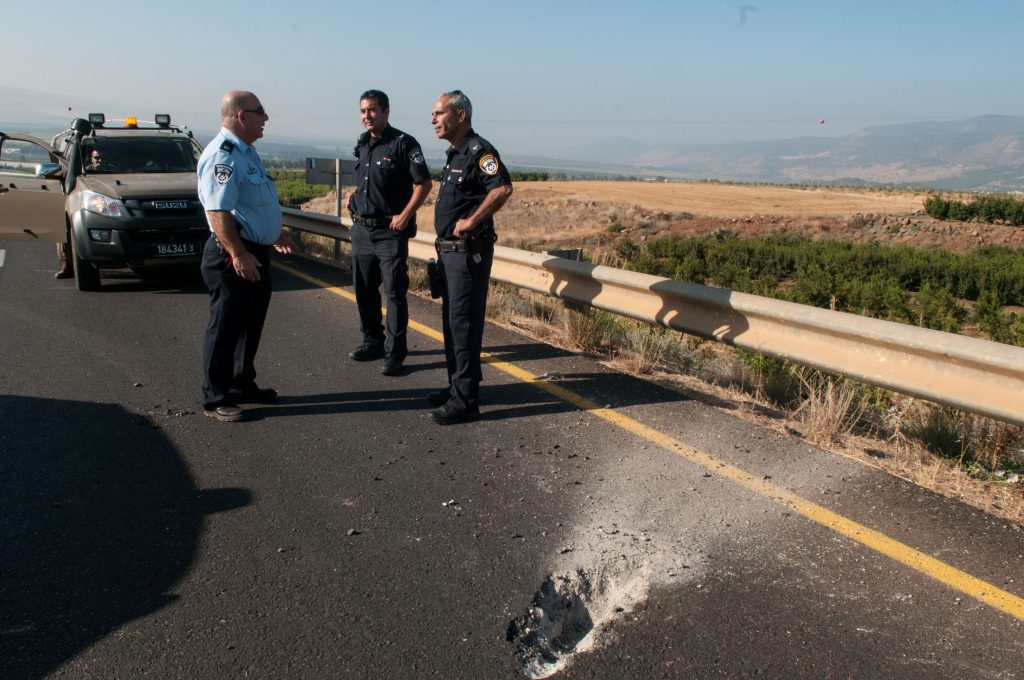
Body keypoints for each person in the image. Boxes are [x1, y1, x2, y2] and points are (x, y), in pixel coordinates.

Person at [197, 90, 292, 422]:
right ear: (241, 115)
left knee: (250, 324)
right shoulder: (223, 156)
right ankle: (216, 396)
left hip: (256, 251)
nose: (265, 118)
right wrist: (238, 253)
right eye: (260, 112)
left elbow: (249, 205)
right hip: (233, 255)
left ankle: (241, 383)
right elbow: (219, 211)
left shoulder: (247, 153)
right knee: (225, 326)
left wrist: (272, 232)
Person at [428, 90, 513, 425]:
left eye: (438, 113)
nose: (433, 120)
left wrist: (472, 221)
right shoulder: (455, 153)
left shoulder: (479, 151)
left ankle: (465, 401)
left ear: (459, 115)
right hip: (450, 255)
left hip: (467, 255)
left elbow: (502, 187)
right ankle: (458, 387)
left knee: (463, 325)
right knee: (453, 323)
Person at [346, 89, 432, 376]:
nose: (366, 116)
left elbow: (423, 184)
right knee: (363, 290)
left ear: (386, 111)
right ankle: (373, 341)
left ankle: (395, 353)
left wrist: (405, 215)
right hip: (361, 230)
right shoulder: (363, 144)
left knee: (394, 293)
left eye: (372, 110)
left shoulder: (403, 144)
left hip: (389, 233)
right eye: (362, 111)